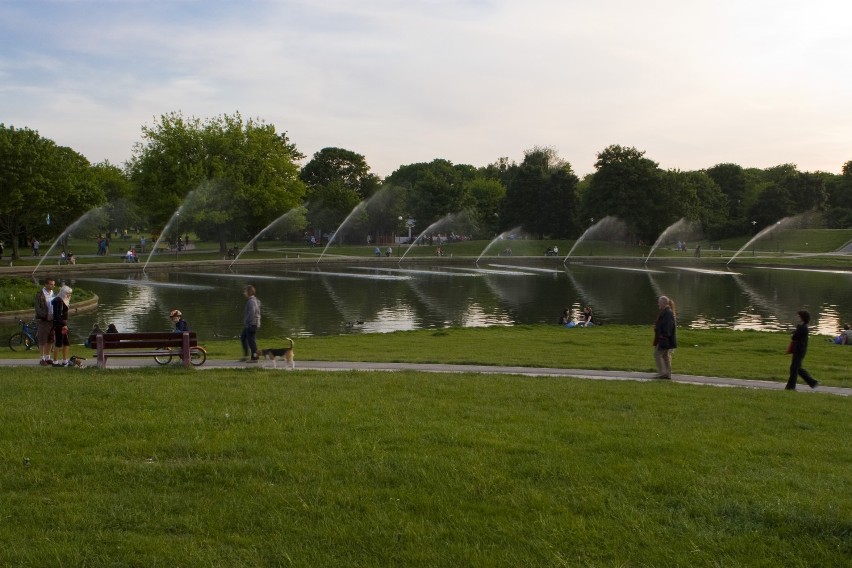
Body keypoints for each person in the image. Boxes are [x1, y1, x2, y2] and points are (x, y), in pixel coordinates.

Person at [786, 310, 818, 390]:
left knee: (794, 368)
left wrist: (794, 332)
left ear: (802, 318)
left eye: (798, 316)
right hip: (800, 350)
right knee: (797, 368)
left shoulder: (803, 328)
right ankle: (812, 382)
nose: (797, 317)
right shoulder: (803, 327)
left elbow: (794, 337)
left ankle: (791, 387)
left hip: (799, 350)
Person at [653, 295, 677, 379]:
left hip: (664, 338)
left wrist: (663, 336)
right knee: (665, 356)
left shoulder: (667, 313)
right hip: (665, 338)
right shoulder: (667, 312)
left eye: (659, 302)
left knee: (657, 354)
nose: (658, 304)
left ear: (663, 303)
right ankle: (667, 373)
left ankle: (662, 372)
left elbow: (668, 326)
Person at [34, 278, 56, 366]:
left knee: (50, 339)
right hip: (44, 320)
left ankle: (48, 357)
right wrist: (44, 316)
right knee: (42, 339)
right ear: (46, 284)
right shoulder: (40, 295)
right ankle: (42, 358)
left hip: (52, 319)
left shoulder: (53, 293)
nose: (52, 286)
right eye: (51, 284)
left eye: (53, 284)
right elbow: (37, 308)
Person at [50, 285, 73, 367]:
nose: (69, 295)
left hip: (62, 324)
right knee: (59, 343)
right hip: (60, 325)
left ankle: (64, 360)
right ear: (63, 293)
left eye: (70, 294)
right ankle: (55, 361)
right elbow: (57, 315)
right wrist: (63, 325)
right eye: (68, 293)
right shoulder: (59, 301)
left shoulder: (62, 300)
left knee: (66, 343)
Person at [241, 285, 261, 362]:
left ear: (249, 292)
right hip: (249, 324)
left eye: (245, 291)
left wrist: (247, 321)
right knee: (243, 338)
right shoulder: (251, 300)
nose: (244, 293)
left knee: (251, 342)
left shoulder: (252, 301)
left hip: (252, 325)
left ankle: (255, 358)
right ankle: (246, 356)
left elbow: (252, 313)